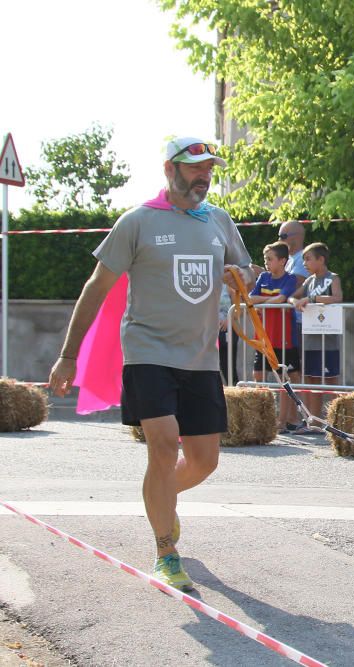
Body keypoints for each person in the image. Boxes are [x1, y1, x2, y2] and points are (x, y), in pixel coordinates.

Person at [48, 136, 254, 591]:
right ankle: (166, 549)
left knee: (204, 462)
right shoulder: (137, 222)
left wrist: (242, 278)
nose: (205, 176)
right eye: (196, 167)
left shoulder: (218, 220)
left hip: (201, 358)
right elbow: (96, 288)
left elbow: (247, 269)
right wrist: (68, 356)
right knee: (163, 446)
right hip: (147, 352)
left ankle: (160, 498)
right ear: (170, 169)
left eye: (210, 169)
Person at [289, 242, 343, 429]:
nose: (304, 263)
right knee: (312, 379)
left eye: (308, 259)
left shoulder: (332, 278)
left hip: (328, 338)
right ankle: (314, 421)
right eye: (303, 259)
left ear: (321, 259)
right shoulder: (308, 281)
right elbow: (292, 296)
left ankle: (338, 420)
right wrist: (296, 301)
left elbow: (337, 298)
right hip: (311, 338)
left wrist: (311, 299)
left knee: (331, 380)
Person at [249, 241, 301, 432]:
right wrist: (266, 300)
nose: (266, 263)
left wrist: (264, 301)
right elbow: (251, 299)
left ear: (282, 261)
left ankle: (283, 421)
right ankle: (262, 417)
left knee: (284, 379)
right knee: (258, 375)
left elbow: (281, 299)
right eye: (265, 259)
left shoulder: (290, 279)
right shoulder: (262, 277)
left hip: (284, 337)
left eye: (270, 259)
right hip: (263, 337)